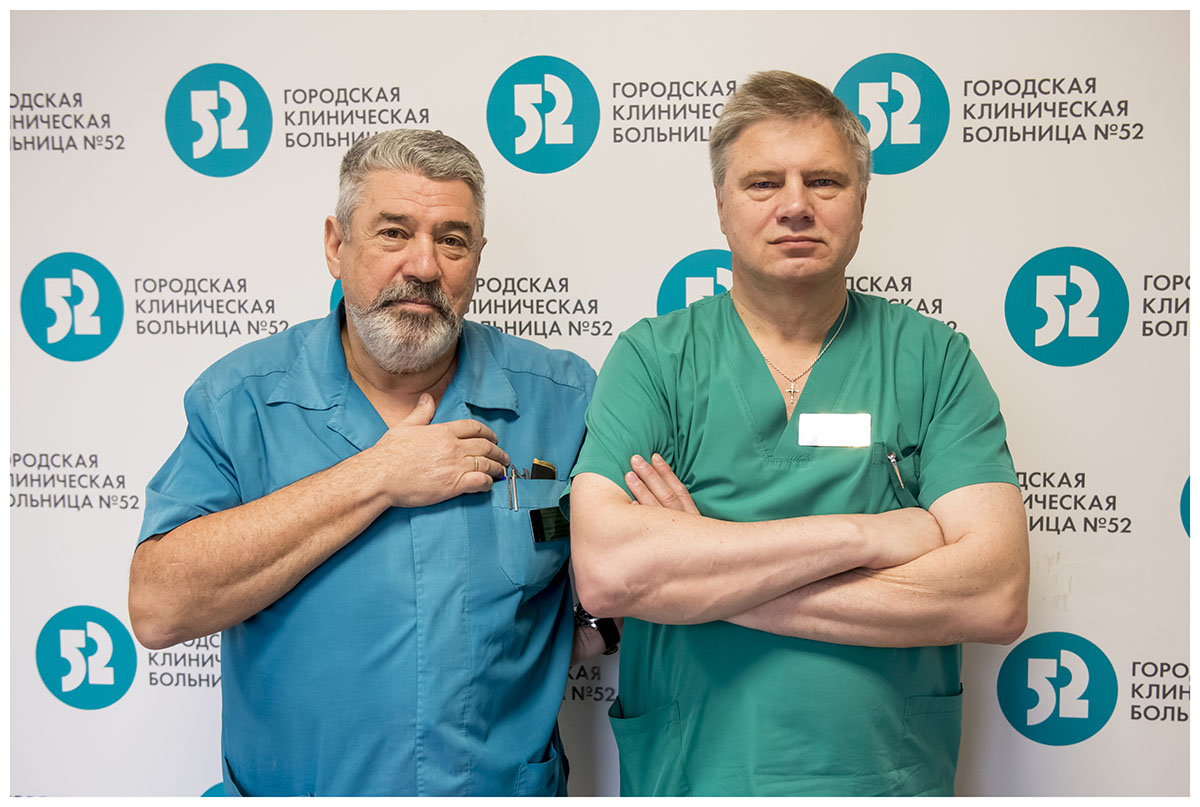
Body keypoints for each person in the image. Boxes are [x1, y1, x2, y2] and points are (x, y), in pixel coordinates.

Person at [567, 71, 1029, 796]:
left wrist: (701, 575)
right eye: (763, 183)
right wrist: (869, 536)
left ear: (861, 202)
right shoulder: (654, 358)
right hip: (694, 777)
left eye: (824, 181)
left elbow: (993, 594)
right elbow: (608, 571)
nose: (795, 206)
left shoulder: (934, 359)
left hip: (884, 779)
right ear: (721, 205)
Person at [128, 129, 598, 796]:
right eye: (393, 233)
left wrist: (596, 626)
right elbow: (158, 607)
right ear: (336, 245)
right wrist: (377, 475)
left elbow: (624, 569)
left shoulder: (563, 399)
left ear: (477, 258)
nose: (424, 265)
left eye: (452, 240)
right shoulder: (241, 401)